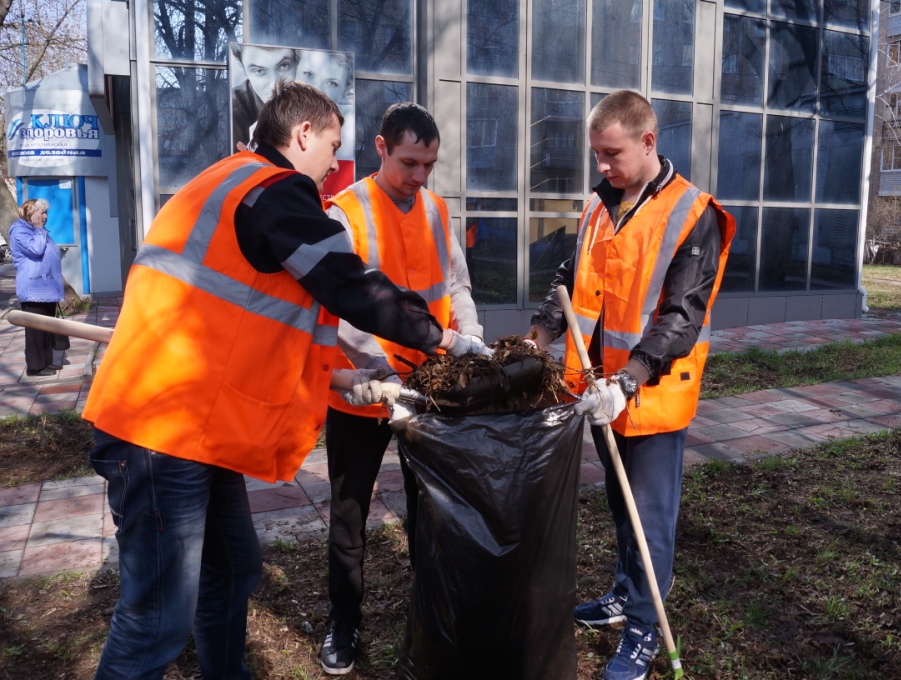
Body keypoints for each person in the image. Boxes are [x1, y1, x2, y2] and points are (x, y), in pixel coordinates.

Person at [82, 81, 488, 680]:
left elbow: (266, 314)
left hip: (190, 425)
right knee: (156, 620)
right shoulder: (276, 192)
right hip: (158, 432)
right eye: (331, 146)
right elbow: (350, 286)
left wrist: (348, 375)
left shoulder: (230, 180)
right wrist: (447, 340)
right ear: (303, 135)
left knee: (235, 568)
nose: (332, 165)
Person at [526, 90, 735, 680]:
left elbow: (682, 315)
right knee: (621, 504)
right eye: (596, 154)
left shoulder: (693, 214)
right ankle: (624, 594)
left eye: (611, 154)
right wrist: (540, 334)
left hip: (650, 393)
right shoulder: (601, 204)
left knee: (650, 518)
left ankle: (644, 629)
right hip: (599, 390)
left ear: (648, 142)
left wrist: (631, 378)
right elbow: (572, 275)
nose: (602, 166)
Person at [318, 101, 489, 676]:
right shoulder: (347, 214)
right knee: (349, 509)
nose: (419, 177)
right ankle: (344, 620)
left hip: (433, 387)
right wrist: (385, 379)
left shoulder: (438, 211)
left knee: (433, 507)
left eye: (429, 165)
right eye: (410, 162)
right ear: (381, 147)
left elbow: (457, 285)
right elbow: (342, 314)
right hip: (365, 388)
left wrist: (471, 337)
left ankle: (431, 606)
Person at [8, 198, 65, 377]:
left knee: (47, 327)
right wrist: (40, 229)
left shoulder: (36, 230)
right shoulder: (19, 231)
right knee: (35, 330)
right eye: (41, 212)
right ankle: (35, 366)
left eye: (45, 213)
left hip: (46, 287)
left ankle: (46, 362)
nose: (45, 217)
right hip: (33, 289)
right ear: (30, 213)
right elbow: (36, 250)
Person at [230, 43, 297, 147]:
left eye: (284, 66)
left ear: (296, 61)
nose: (274, 84)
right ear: (242, 67)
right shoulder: (231, 112)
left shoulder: (315, 103)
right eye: (259, 71)